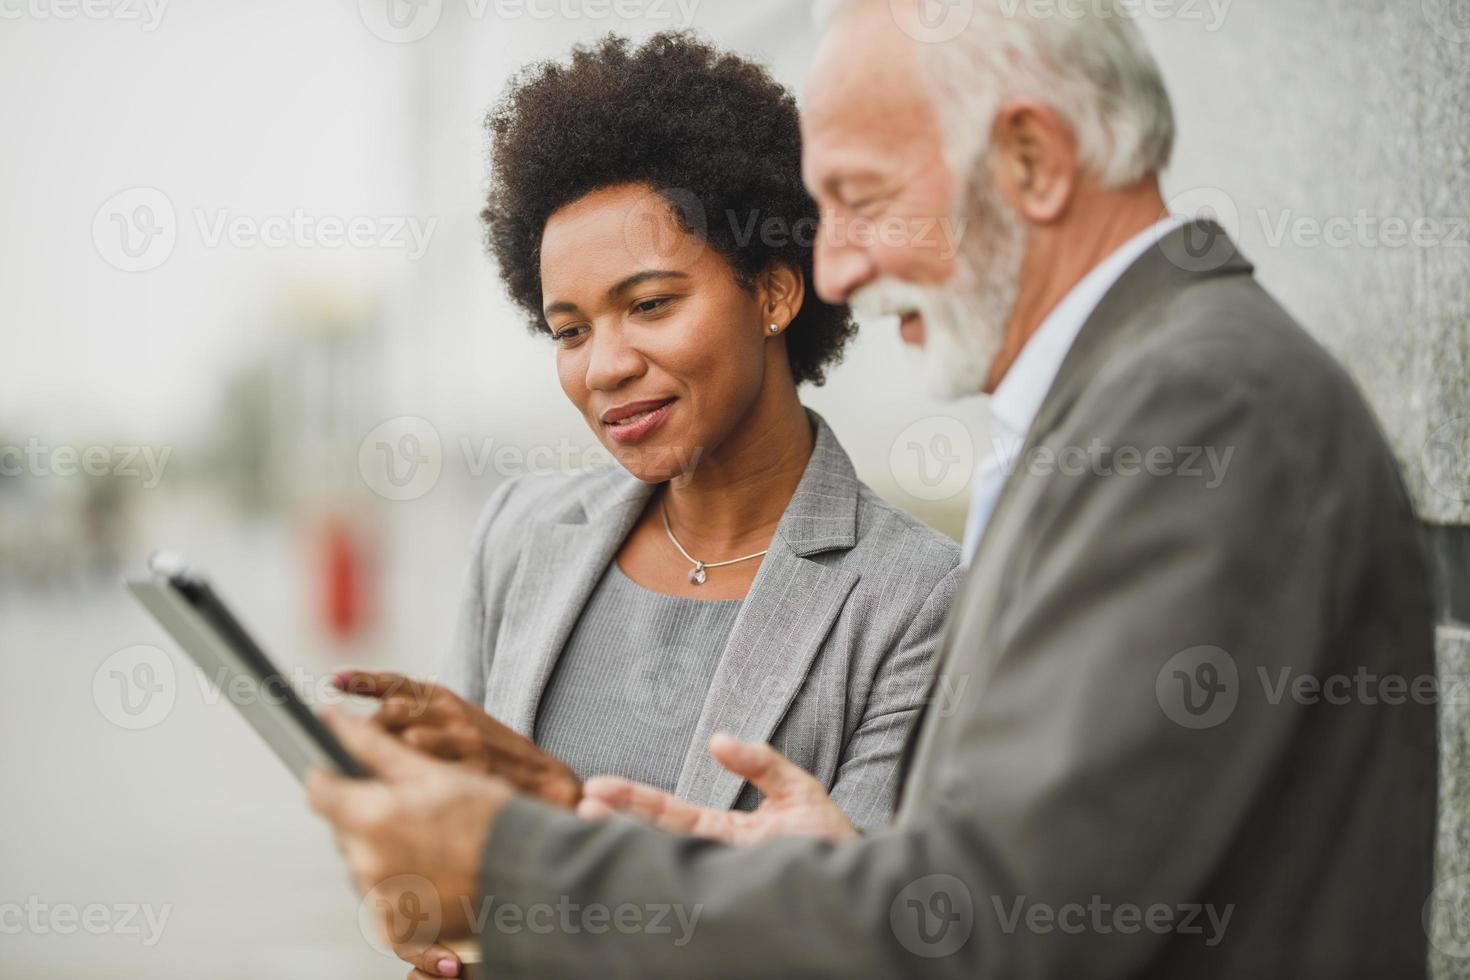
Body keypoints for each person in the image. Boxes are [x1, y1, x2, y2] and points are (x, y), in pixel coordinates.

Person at [307, 2, 1439, 977]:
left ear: (1034, 161)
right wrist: (840, 865)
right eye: (570, 327)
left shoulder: (1204, 409)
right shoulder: (1143, 397)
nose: (837, 264)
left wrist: (511, 866)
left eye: (859, 195)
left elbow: (987, 923)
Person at [330, 29, 962, 974]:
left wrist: (547, 832)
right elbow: (455, 851)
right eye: (570, 329)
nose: (606, 365)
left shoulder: (915, 598)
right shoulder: (523, 532)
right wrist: (423, 898)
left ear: (776, 292)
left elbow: (860, 936)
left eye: (653, 304)